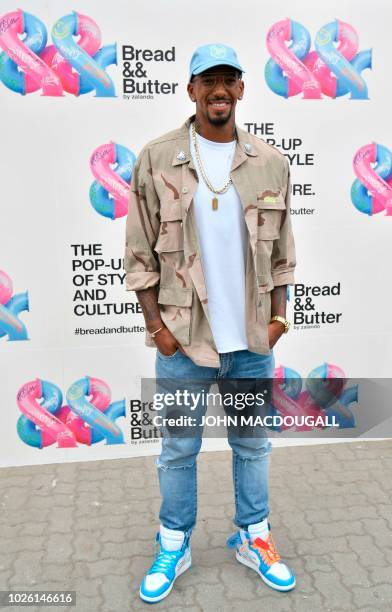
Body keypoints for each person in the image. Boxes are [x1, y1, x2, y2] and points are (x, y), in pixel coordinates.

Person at [124, 43, 297, 604]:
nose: (219, 90)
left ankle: (255, 536)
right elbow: (139, 254)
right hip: (183, 344)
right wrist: (158, 330)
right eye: (208, 80)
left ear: (242, 89)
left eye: (229, 79)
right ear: (192, 90)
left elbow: (284, 255)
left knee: (252, 446)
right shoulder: (157, 158)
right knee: (178, 450)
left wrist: (277, 319)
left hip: (250, 344)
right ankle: (174, 542)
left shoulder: (270, 163)